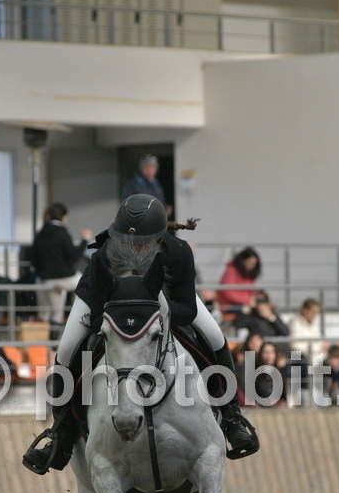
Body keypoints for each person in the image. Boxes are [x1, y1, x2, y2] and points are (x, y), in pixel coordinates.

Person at [23, 194, 260, 475]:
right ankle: (61, 434)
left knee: (215, 336)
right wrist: (119, 316)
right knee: (66, 349)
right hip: (104, 301)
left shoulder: (178, 251)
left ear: (159, 237)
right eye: (128, 240)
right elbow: (97, 309)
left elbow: (186, 309)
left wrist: (154, 313)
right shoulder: (106, 254)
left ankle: (231, 418)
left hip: (165, 303)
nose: (134, 247)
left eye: (142, 242)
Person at [31, 203, 93, 326]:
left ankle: (50, 334)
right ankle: (79, 317)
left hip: (45, 280)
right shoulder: (62, 232)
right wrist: (84, 240)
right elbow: (74, 256)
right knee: (86, 282)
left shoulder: (40, 233)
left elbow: (33, 259)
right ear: (63, 217)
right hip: (64, 278)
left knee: (53, 312)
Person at [216, 247, 261, 315]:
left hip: (244, 305)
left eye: (254, 264)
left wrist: (254, 298)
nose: (252, 266)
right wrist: (247, 300)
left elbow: (251, 292)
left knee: (263, 308)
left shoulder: (249, 274)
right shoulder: (231, 271)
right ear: (243, 261)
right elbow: (228, 293)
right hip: (229, 306)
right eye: (249, 262)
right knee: (251, 311)